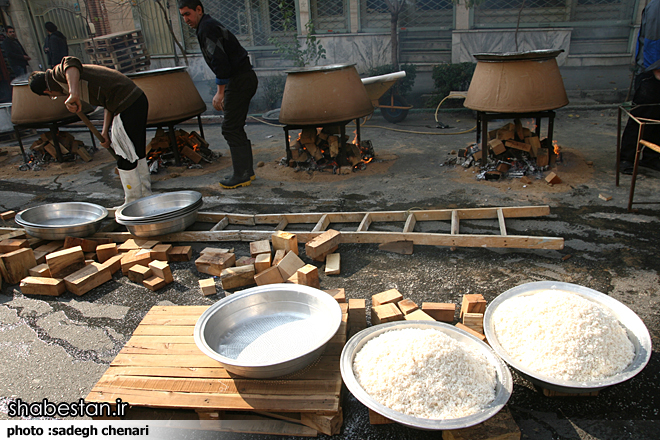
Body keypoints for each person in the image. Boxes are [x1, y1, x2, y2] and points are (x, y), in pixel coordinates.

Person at [28, 56, 152, 207]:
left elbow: (71, 62)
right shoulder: (67, 82)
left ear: (47, 91)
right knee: (136, 152)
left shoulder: (57, 74)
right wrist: (105, 131)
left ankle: (133, 202)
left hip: (129, 103)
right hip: (133, 101)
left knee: (124, 154)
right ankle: (145, 196)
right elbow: (108, 103)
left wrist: (73, 94)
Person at [178, 0, 258, 189]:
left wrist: (220, 92)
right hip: (243, 78)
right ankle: (246, 172)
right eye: (182, 16)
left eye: (188, 14)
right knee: (235, 127)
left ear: (199, 10)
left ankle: (242, 174)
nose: (186, 19)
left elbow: (219, 60)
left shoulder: (207, 27)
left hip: (239, 80)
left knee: (230, 128)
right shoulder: (207, 25)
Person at [619, 0, 660, 175]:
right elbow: (652, 39)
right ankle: (627, 159)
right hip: (651, 72)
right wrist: (656, 69)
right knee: (642, 117)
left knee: (658, 118)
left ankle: (651, 157)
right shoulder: (657, 6)